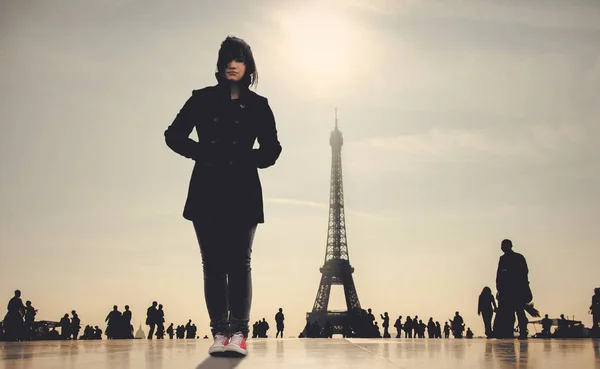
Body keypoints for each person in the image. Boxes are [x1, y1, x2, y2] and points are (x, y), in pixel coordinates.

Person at [164, 35, 281, 358]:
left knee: (240, 263)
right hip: (208, 186)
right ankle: (219, 331)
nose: (232, 64)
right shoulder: (201, 99)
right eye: (227, 58)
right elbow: (173, 135)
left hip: (242, 187)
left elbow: (272, 150)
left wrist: (245, 158)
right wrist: (203, 152)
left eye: (239, 58)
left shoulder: (259, 105)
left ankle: (239, 332)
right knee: (213, 264)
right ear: (220, 64)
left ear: (248, 66)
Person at [495, 239, 531, 339]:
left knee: (516, 312)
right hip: (512, 289)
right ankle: (517, 331)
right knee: (515, 312)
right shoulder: (514, 257)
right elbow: (499, 275)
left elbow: (524, 272)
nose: (502, 247)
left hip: (513, 289)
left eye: (503, 245)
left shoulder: (513, 258)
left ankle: (518, 331)